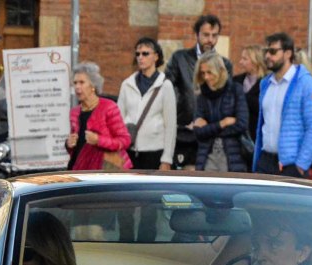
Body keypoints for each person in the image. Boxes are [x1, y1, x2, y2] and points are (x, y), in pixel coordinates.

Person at [252, 32, 312, 178]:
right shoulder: (265, 83)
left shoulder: (306, 83)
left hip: (291, 163)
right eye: (266, 51)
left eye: (273, 52)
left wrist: (301, 164)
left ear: (287, 53)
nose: (267, 56)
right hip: (265, 160)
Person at [165, 14, 233, 168]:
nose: (210, 39)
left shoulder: (225, 64)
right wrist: (179, 112)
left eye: (214, 35)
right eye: (206, 35)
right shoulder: (180, 58)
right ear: (197, 35)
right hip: (184, 131)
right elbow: (167, 88)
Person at [119, 38, 176, 171]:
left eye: (145, 54)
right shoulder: (127, 84)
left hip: (155, 151)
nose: (140, 57)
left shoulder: (165, 85)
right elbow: (119, 119)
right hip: (130, 150)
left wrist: (167, 159)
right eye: (138, 54)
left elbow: (171, 125)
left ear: (156, 56)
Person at [66, 62, 133, 171]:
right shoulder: (74, 112)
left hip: (107, 170)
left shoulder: (109, 107)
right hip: (81, 169)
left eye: (82, 82)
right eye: (75, 83)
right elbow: (78, 148)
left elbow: (124, 140)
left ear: (93, 85)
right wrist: (69, 144)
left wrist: (98, 140)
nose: (77, 87)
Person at [193, 50, 250, 171]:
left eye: (209, 72)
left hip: (233, 156)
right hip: (206, 157)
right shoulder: (202, 97)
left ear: (220, 71)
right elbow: (198, 132)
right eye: (203, 73)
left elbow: (242, 124)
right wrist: (222, 123)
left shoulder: (235, 90)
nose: (206, 77)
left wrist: (209, 129)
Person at [235, 45, 267, 135]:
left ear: (255, 61)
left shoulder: (267, 83)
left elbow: (263, 107)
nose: (240, 62)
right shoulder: (235, 81)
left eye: (245, 59)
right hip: (238, 135)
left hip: (258, 136)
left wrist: (242, 97)